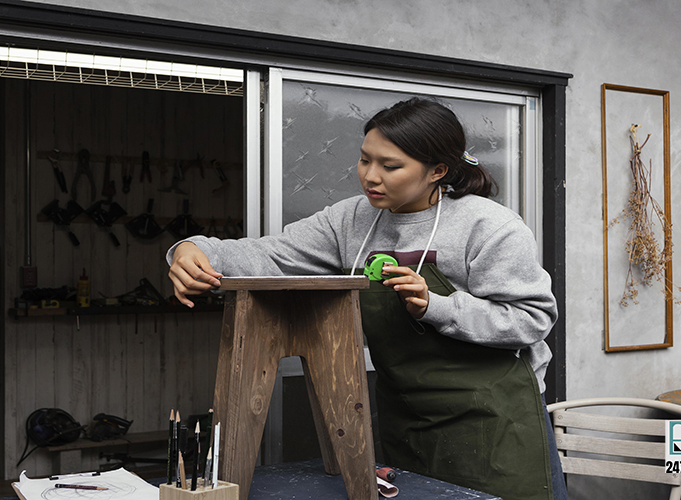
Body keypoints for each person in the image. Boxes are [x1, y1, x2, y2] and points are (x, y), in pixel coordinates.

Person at [167, 97, 566, 500]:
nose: (370, 177)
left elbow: (531, 318)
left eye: (390, 166)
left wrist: (436, 306)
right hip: (404, 418)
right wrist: (193, 250)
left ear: (438, 171)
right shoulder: (350, 220)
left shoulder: (489, 226)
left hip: (495, 423)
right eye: (364, 160)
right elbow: (270, 255)